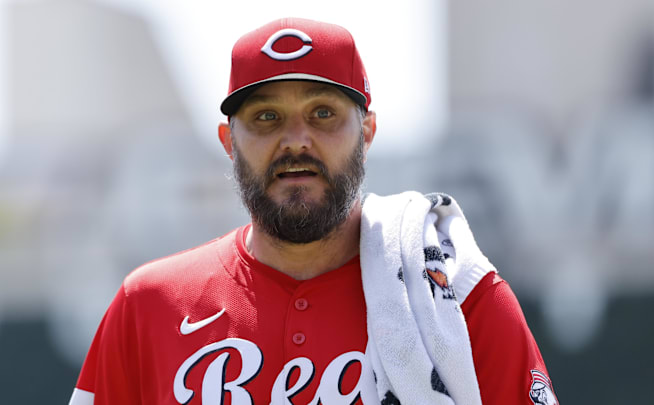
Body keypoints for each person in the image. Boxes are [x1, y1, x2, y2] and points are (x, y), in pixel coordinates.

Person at [69, 17, 558, 405]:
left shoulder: (456, 296)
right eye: (266, 117)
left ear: (366, 132)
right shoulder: (148, 305)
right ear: (228, 143)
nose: (296, 140)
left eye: (323, 113)